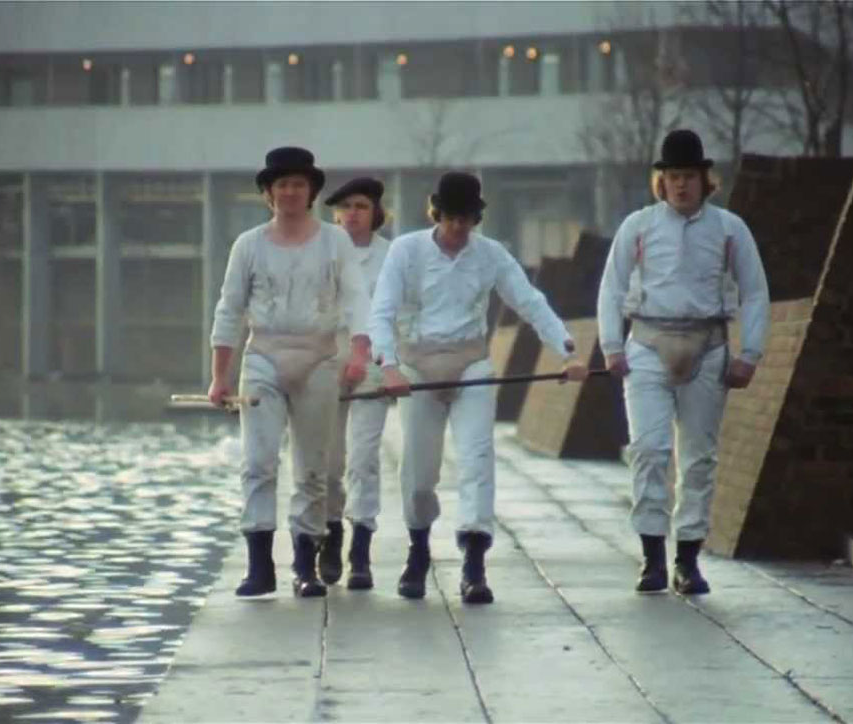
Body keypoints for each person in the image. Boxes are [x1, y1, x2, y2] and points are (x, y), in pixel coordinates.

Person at [370, 171, 588, 605]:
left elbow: (529, 301)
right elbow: (382, 311)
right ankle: (418, 548)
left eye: (466, 219)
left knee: (476, 457)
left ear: (476, 219)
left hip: (471, 361)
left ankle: (473, 559)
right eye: (451, 218)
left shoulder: (491, 255)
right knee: (418, 470)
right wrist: (388, 365)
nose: (458, 227)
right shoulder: (406, 251)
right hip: (417, 364)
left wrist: (567, 351)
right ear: (436, 214)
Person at [596, 129, 770, 595]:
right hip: (647, 345)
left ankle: (688, 560)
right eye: (673, 176)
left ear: (704, 179)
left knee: (698, 459)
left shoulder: (730, 229)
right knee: (649, 450)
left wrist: (750, 353)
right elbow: (612, 287)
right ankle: (652, 558)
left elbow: (755, 291)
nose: (680, 184)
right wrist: (611, 346)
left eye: (689, 176)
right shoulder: (638, 226)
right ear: (662, 180)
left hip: (708, 346)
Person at [208, 146, 372, 598]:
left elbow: (357, 299)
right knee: (258, 462)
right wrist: (220, 375)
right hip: (264, 356)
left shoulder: (335, 241)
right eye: (282, 184)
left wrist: (359, 352)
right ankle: (259, 565)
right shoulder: (249, 245)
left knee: (313, 467)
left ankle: (305, 564)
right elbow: (229, 309)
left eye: (299, 184)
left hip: (319, 357)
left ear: (312, 191)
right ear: (268, 192)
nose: (290, 192)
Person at [317, 177, 392, 590]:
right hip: (327, 358)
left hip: (374, 360)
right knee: (328, 459)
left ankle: (361, 548)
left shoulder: (391, 255)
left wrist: (391, 362)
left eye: (361, 206)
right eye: (344, 207)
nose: (352, 214)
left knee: (363, 459)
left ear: (376, 212)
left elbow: (400, 311)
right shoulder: (320, 251)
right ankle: (330, 532)